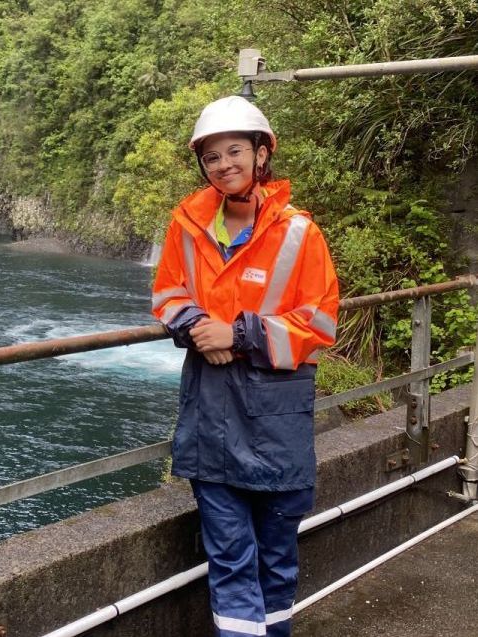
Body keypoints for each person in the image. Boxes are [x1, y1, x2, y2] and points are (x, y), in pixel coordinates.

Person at [151, 96, 339, 637]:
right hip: (211, 418)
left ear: (262, 154)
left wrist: (236, 335)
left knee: (277, 562)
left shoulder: (300, 233)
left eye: (235, 150)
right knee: (230, 561)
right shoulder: (187, 223)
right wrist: (193, 326)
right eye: (212, 156)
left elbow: (320, 323)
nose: (224, 164)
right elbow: (167, 292)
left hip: (276, 422)